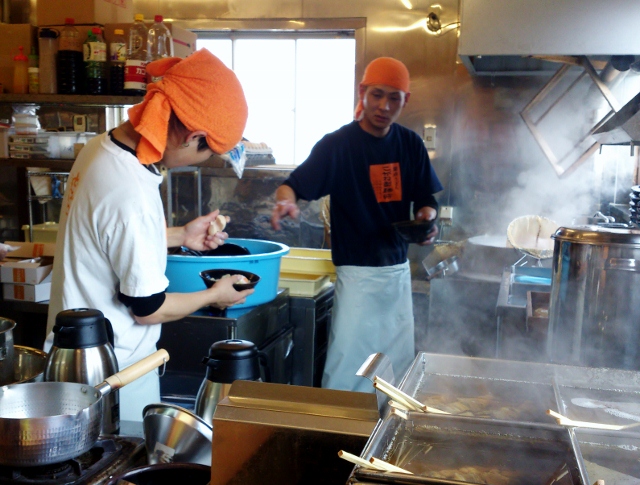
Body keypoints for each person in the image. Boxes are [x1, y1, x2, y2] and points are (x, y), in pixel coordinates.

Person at [45, 49, 252, 421]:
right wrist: (214, 294)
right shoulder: (132, 191)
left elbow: (110, 238)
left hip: (77, 356)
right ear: (193, 136)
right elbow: (148, 308)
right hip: (112, 375)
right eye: (209, 153)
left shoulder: (101, 148)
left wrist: (180, 236)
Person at [271, 57, 443, 392]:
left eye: (394, 98)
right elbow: (293, 184)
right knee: (347, 367)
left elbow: (427, 199)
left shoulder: (410, 144)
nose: (384, 105)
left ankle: (388, 434)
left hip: (396, 273)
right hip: (356, 275)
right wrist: (285, 201)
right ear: (362, 92)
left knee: (396, 371)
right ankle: (339, 435)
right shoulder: (338, 145)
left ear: (405, 101)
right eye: (377, 94)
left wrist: (427, 218)